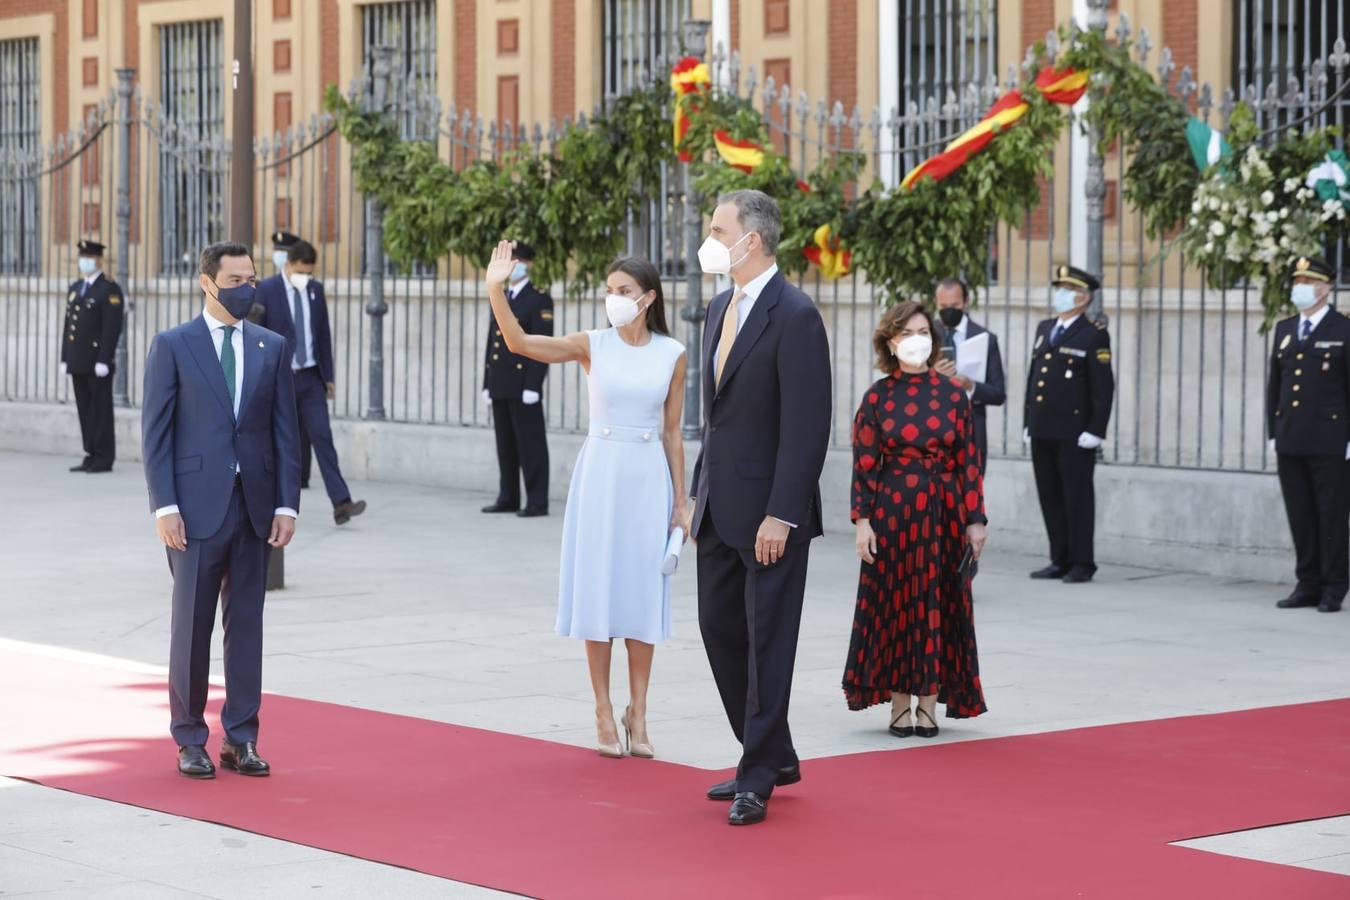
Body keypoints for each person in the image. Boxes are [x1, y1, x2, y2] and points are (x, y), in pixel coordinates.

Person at [484, 240, 686, 760]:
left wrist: (681, 503)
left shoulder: (673, 354)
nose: (613, 298)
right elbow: (521, 342)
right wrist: (495, 288)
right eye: (608, 290)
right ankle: (602, 707)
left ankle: (638, 712)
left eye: (624, 291)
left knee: (642, 595)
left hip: (648, 478)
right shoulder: (591, 343)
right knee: (599, 590)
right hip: (601, 475)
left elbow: (672, 433)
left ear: (648, 298)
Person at [681, 189, 833, 827]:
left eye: (718, 228)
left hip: (771, 515)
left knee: (769, 642)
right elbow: (716, 420)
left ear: (754, 240)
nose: (709, 237)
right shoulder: (720, 306)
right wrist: (696, 494)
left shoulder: (794, 314)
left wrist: (783, 514)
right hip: (719, 504)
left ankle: (758, 775)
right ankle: (771, 750)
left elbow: (807, 426)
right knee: (719, 629)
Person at [141, 241, 301, 780]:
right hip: (193, 509)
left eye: (251, 279)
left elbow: (285, 433)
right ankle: (189, 738)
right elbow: (155, 436)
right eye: (235, 280)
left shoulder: (270, 346)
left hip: (255, 508)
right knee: (191, 627)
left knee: (247, 625)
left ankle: (242, 737)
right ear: (208, 282)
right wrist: (164, 506)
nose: (246, 288)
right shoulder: (173, 345)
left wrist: (286, 504)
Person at [844, 301, 988, 738]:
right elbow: (865, 463)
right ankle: (899, 704)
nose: (917, 339)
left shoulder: (951, 395)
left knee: (939, 604)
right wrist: (862, 521)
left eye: (923, 331)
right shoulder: (877, 396)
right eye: (907, 332)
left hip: (944, 513)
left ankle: (929, 705)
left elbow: (968, 461)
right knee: (896, 605)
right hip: (893, 512)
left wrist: (975, 520)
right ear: (891, 341)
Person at [255, 238, 367, 526]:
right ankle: (273, 503)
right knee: (279, 442)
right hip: (280, 379)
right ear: (288, 265)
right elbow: (257, 336)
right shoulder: (267, 290)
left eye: (310, 273)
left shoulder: (315, 291)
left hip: (310, 378)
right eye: (301, 271)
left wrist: (328, 376)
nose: (306, 277)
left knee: (323, 438)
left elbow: (323, 334)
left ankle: (341, 503)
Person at [1268, 256, 1350, 614]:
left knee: (1331, 515)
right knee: (1300, 513)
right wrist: (1274, 429)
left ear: (1326, 287)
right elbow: (1276, 385)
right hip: (1291, 436)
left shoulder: (1343, 330)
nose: (1299, 287)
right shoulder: (1285, 329)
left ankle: (1334, 586)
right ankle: (1308, 582)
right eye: (1297, 280)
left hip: (1330, 439)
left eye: (1308, 281)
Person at [1024, 264, 1114, 584]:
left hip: (1075, 432)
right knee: (1050, 495)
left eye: (1068, 291)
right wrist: (1027, 420)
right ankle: (1058, 558)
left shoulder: (1093, 334)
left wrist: (1095, 430)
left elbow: (1103, 388)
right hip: (1042, 427)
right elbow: (1035, 377)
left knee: (1076, 497)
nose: (1060, 296)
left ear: (1083, 297)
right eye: (1059, 290)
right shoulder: (1045, 327)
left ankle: (1081, 561)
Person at [482, 242, 554, 518]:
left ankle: (537, 501)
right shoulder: (502, 296)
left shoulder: (539, 299)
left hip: (524, 385)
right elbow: (492, 343)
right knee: (506, 445)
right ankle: (508, 496)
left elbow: (542, 344)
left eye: (516, 261)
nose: (512, 266)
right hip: (501, 382)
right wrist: (486, 383)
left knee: (531, 444)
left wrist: (533, 385)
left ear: (528, 264)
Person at [60, 239, 125, 473]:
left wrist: (104, 359)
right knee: (85, 409)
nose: (84, 261)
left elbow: (112, 327)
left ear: (99, 260)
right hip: (78, 360)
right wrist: (65, 356)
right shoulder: (76, 287)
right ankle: (90, 453)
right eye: (82, 256)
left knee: (101, 410)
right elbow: (68, 326)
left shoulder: (109, 290)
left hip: (97, 362)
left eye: (89, 257)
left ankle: (104, 457)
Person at [933, 277, 1006, 471]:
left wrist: (970, 386)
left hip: (970, 434)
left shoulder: (985, 339)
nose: (949, 309)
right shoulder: (925, 335)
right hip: (931, 432)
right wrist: (932, 375)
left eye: (955, 304)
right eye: (943, 305)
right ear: (936, 303)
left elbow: (998, 394)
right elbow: (907, 384)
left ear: (965, 302)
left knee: (969, 497)